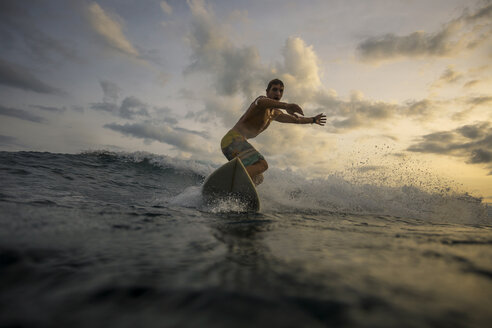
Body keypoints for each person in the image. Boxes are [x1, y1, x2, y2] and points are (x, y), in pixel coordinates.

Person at [221, 78, 326, 185]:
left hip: (232, 145)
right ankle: (227, 183)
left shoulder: (275, 113)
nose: (278, 93)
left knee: (258, 177)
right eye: (274, 90)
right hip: (232, 140)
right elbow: (261, 102)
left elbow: (297, 120)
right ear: (267, 92)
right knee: (262, 165)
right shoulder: (260, 102)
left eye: (281, 91)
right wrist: (286, 106)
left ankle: (233, 193)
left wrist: (313, 119)